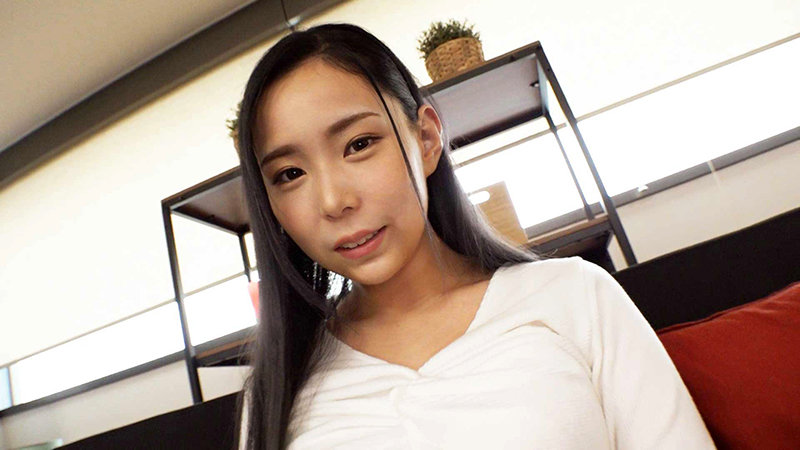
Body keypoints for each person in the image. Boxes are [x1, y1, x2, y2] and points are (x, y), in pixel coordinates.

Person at [233, 23, 714, 450]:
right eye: (290, 174)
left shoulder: (574, 295)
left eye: (359, 144)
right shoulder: (276, 388)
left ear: (426, 139)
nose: (333, 200)